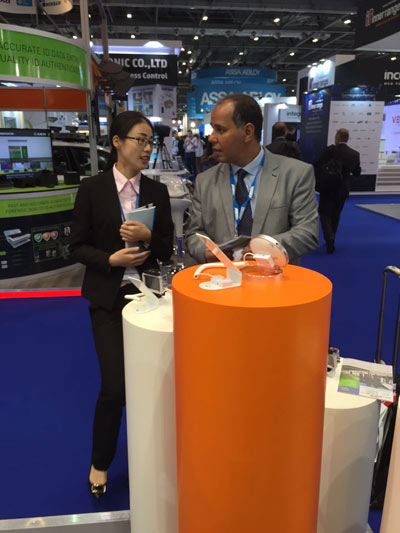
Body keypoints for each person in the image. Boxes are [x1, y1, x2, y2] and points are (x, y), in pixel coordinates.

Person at [70, 111, 174, 498]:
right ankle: (101, 461)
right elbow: (76, 246)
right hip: (108, 299)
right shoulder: (92, 188)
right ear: (117, 141)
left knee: (160, 384)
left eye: (151, 142)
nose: (147, 149)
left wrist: (148, 236)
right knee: (115, 388)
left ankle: (159, 455)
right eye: (140, 140)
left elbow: (166, 249)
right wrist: (110, 259)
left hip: (152, 298)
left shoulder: (157, 191)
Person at [185, 94, 319, 265]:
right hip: (221, 278)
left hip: (274, 277)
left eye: (221, 130)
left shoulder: (295, 174)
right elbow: (194, 233)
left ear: (248, 132)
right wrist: (207, 252)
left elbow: (307, 232)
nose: (211, 138)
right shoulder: (205, 181)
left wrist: (264, 247)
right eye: (213, 129)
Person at [314, 128, 361, 253]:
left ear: (337, 138)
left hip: (327, 187)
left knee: (324, 213)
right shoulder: (354, 154)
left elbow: (317, 164)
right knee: (336, 214)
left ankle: (328, 238)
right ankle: (332, 236)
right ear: (347, 139)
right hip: (342, 189)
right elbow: (357, 172)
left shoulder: (330, 150)